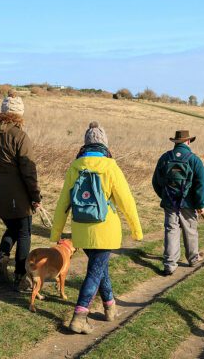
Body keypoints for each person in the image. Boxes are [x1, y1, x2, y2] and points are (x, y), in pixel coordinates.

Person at [51, 121, 143, 334]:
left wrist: (56, 231)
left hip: (82, 230)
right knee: (94, 272)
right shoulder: (111, 167)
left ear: (85, 144)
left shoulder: (75, 167)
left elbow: (63, 202)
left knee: (100, 268)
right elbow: (126, 201)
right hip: (105, 231)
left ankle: (110, 307)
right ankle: (79, 317)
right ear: (104, 144)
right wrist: (136, 230)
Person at [0, 95, 41, 291]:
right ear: (19, 114)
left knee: (13, 228)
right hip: (18, 196)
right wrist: (35, 196)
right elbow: (29, 171)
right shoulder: (20, 136)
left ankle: (1, 257)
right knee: (24, 232)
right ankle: (20, 277)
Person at [152, 130, 204, 276]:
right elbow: (201, 183)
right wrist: (200, 203)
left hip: (170, 203)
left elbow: (156, 181)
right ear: (188, 142)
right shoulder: (194, 160)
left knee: (171, 231)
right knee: (190, 230)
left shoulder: (165, 158)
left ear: (175, 142)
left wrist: (165, 196)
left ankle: (170, 264)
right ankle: (193, 258)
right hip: (188, 204)